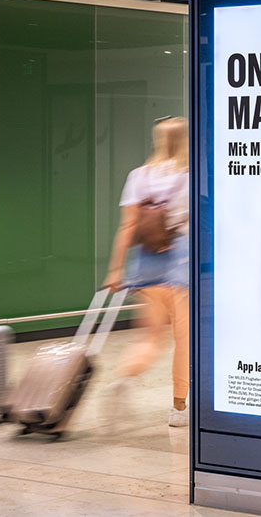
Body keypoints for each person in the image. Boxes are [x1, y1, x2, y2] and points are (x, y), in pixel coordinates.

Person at [102, 117, 190, 427]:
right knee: (184, 341)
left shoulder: (139, 176)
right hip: (182, 264)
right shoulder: (189, 176)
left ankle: (123, 379)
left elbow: (127, 226)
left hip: (146, 263)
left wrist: (115, 269)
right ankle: (179, 408)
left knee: (150, 338)